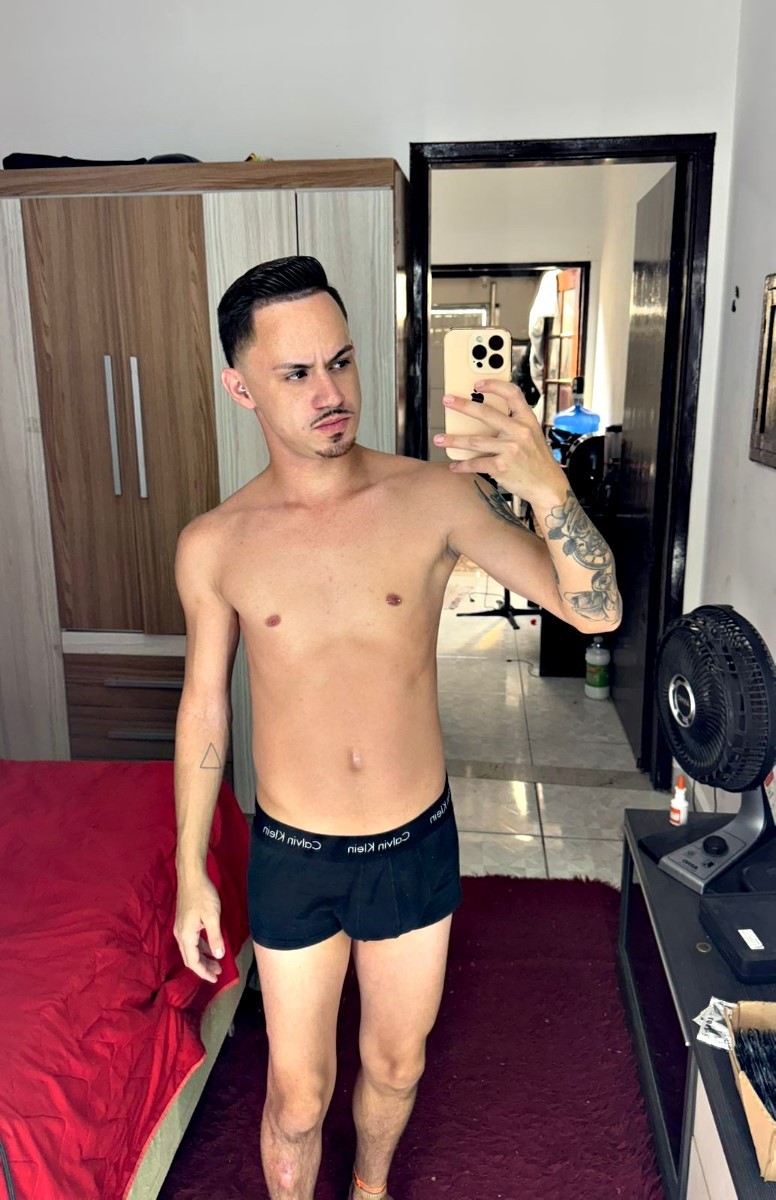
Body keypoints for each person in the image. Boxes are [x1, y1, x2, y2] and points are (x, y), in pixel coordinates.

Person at [172, 256, 622, 1200]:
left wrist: (549, 489)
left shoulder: (432, 498)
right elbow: (205, 704)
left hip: (412, 842)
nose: (331, 393)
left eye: (340, 361)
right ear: (241, 387)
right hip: (294, 853)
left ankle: (370, 1189)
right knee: (298, 1097)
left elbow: (597, 611)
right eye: (297, 373)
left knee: (396, 1063)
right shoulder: (215, 544)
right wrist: (189, 869)